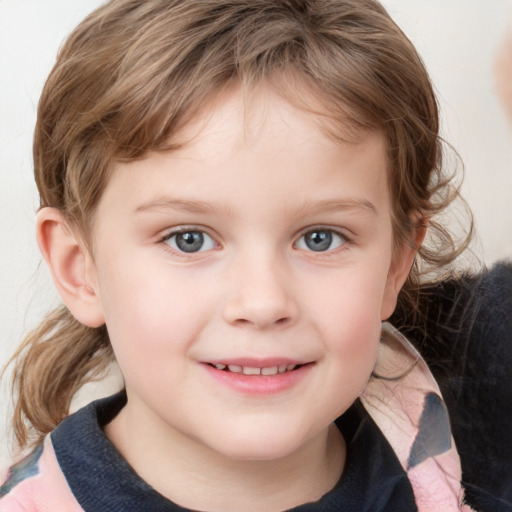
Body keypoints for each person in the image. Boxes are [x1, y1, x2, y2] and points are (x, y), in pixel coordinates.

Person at [0, 0, 509, 510]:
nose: (263, 303)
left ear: (396, 263)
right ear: (78, 268)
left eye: (320, 238)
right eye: (189, 239)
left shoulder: (477, 412)